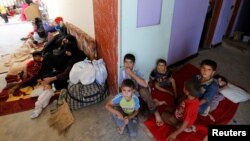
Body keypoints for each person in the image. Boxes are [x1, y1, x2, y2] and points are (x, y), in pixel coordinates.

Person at [119, 53, 164, 126]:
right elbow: (121, 87)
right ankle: (153, 103)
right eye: (126, 62)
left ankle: (156, 113)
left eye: (130, 62)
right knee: (142, 118)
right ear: (124, 63)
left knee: (143, 91)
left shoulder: (137, 70)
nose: (127, 65)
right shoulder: (122, 72)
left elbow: (145, 84)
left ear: (133, 64)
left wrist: (132, 74)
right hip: (133, 95)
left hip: (141, 91)